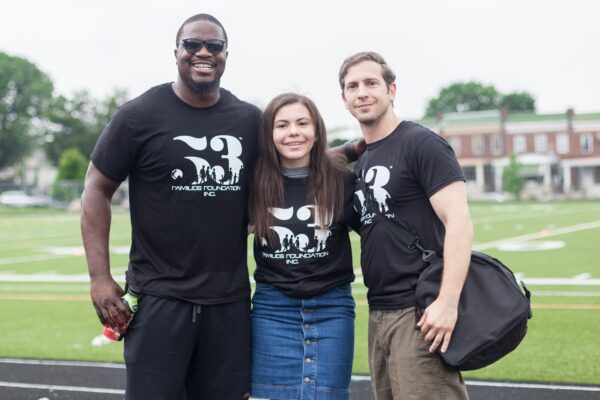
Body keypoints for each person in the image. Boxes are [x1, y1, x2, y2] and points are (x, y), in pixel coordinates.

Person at [80, 13, 261, 400]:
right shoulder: (138, 116)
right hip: (160, 300)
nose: (203, 53)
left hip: (228, 303)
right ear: (176, 52)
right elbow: (96, 188)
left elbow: (295, 163)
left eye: (214, 46)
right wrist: (99, 278)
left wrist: (348, 151)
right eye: (192, 44)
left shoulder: (249, 120)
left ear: (226, 54)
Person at [339, 52, 473, 400]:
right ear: (344, 99)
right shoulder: (363, 160)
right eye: (352, 86)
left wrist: (447, 302)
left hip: (419, 310)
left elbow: (459, 222)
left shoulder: (421, 143)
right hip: (379, 312)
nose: (362, 92)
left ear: (392, 90)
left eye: (371, 83)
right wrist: (349, 150)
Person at [249, 93, 359, 400]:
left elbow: (379, 235)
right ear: (269, 135)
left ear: (317, 130)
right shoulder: (254, 182)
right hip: (273, 310)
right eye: (281, 125)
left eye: (302, 123)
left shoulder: (342, 181)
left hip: (332, 307)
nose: (293, 132)